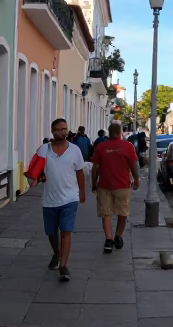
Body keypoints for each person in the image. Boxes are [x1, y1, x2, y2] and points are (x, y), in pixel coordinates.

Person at [36, 118, 86, 282]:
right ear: (52, 131)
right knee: (51, 232)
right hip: (50, 199)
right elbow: (37, 171)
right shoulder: (43, 150)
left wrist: (82, 192)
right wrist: (39, 177)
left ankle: (63, 266)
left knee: (66, 231)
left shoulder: (75, 150)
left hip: (70, 198)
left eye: (64, 129)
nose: (62, 132)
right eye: (58, 129)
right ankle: (56, 254)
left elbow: (79, 172)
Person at [90, 122, 139, 253]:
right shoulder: (128, 146)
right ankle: (118, 235)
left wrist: (93, 183)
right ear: (119, 133)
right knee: (122, 212)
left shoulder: (100, 147)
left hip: (104, 185)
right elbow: (133, 165)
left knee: (106, 213)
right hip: (122, 185)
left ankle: (109, 239)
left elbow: (95, 168)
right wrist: (137, 179)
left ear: (109, 133)